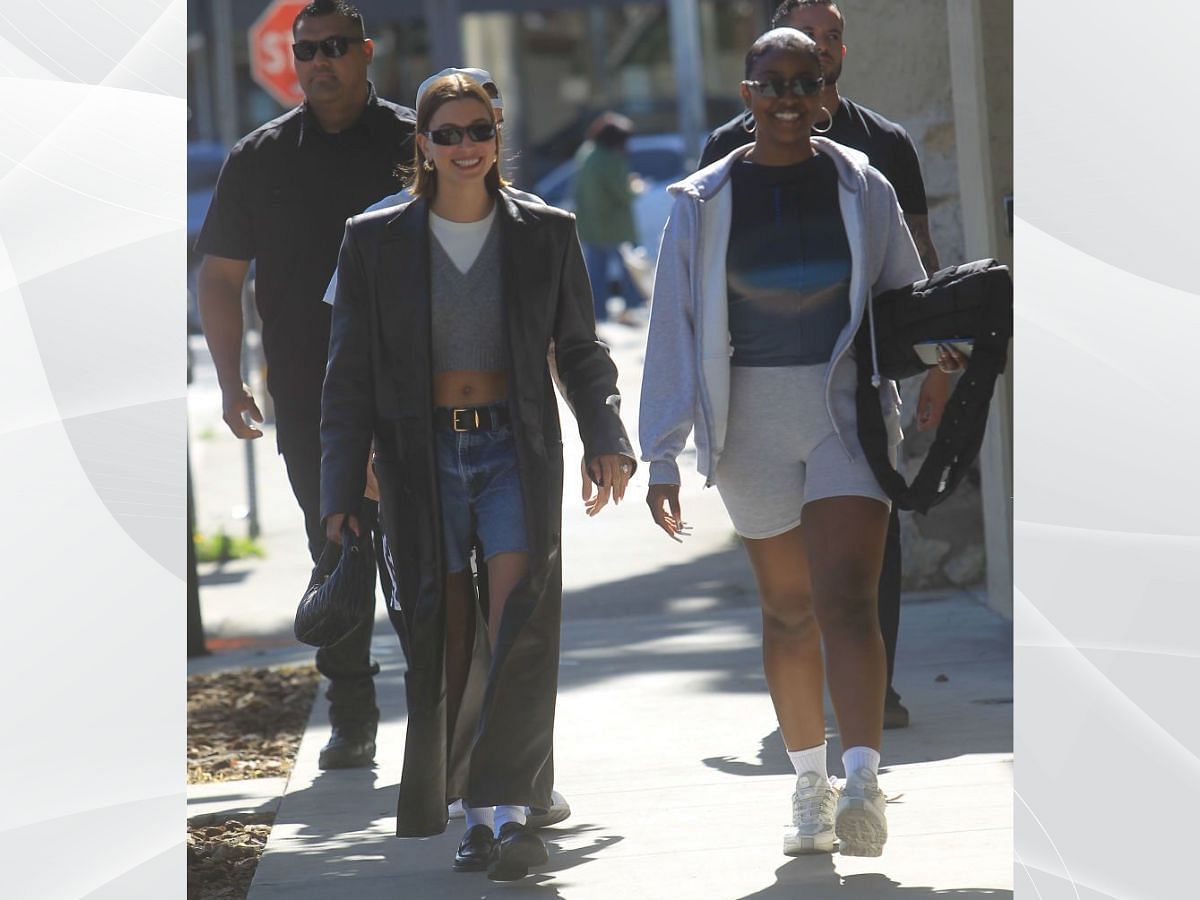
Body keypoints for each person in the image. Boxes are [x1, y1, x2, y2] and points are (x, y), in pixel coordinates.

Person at [640, 28, 957, 859]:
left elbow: (902, 296)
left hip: (842, 405)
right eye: (770, 83)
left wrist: (940, 351)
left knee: (847, 597)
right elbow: (671, 330)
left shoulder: (862, 184)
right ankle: (809, 787)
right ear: (745, 95)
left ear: (825, 92)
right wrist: (662, 452)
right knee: (787, 610)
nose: (788, 98)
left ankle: (862, 780)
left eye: (804, 82)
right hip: (747, 420)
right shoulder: (701, 201)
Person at [320, 73, 636, 881]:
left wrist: (606, 433)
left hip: (512, 449)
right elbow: (346, 373)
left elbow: (579, 348)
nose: (466, 147)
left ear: (499, 136)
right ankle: (474, 814)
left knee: (519, 621)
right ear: (421, 144)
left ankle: (510, 815)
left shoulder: (545, 231)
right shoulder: (374, 237)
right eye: (448, 133)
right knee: (450, 634)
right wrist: (340, 491)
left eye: (480, 131)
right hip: (418, 459)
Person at [699, 0, 950, 730]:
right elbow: (698, 284)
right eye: (810, 36)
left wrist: (933, 364)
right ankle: (809, 736)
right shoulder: (722, 155)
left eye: (833, 38)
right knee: (792, 594)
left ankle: (876, 699)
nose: (823, 50)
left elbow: (917, 264)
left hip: (857, 389)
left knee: (864, 565)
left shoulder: (880, 151)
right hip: (757, 400)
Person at [194, 0, 414, 769]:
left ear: (365, 52)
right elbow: (220, 276)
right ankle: (351, 711)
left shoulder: (416, 139)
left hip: (416, 387)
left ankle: (450, 702)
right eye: (306, 49)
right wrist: (230, 383)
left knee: (430, 549)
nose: (319, 61)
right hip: (310, 396)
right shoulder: (260, 157)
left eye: (334, 47)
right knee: (340, 549)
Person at [572, 112, 645, 324]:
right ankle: (630, 310)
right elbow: (623, 192)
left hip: (590, 224)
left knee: (595, 273)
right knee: (631, 269)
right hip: (615, 225)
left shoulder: (586, 153)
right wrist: (636, 187)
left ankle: (595, 315)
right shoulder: (610, 158)